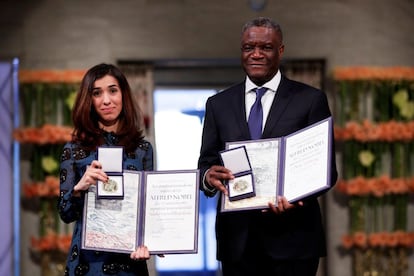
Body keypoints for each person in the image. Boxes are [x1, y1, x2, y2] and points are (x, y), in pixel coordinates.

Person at [198, 17, 338, 276]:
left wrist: (297, 196)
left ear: (281, 50)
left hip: (294, 241)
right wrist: (208, 177)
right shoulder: (218, 104)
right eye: (249, 47)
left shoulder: (310, 100)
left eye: (266, 47)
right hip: (237, 242)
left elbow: (327, 170)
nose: (256, 54)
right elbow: (205, 165)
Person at [58, 63, 153, 275]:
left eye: (113, 90)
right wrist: (78, 188)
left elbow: (147, 211)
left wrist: (150, 242)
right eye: (97, 93)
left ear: (123, 95)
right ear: (88, 100)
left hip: (130, 262)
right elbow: (65, 213)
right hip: (87, 263)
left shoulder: (143, 149)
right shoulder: (73, 149)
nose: (106, 100)